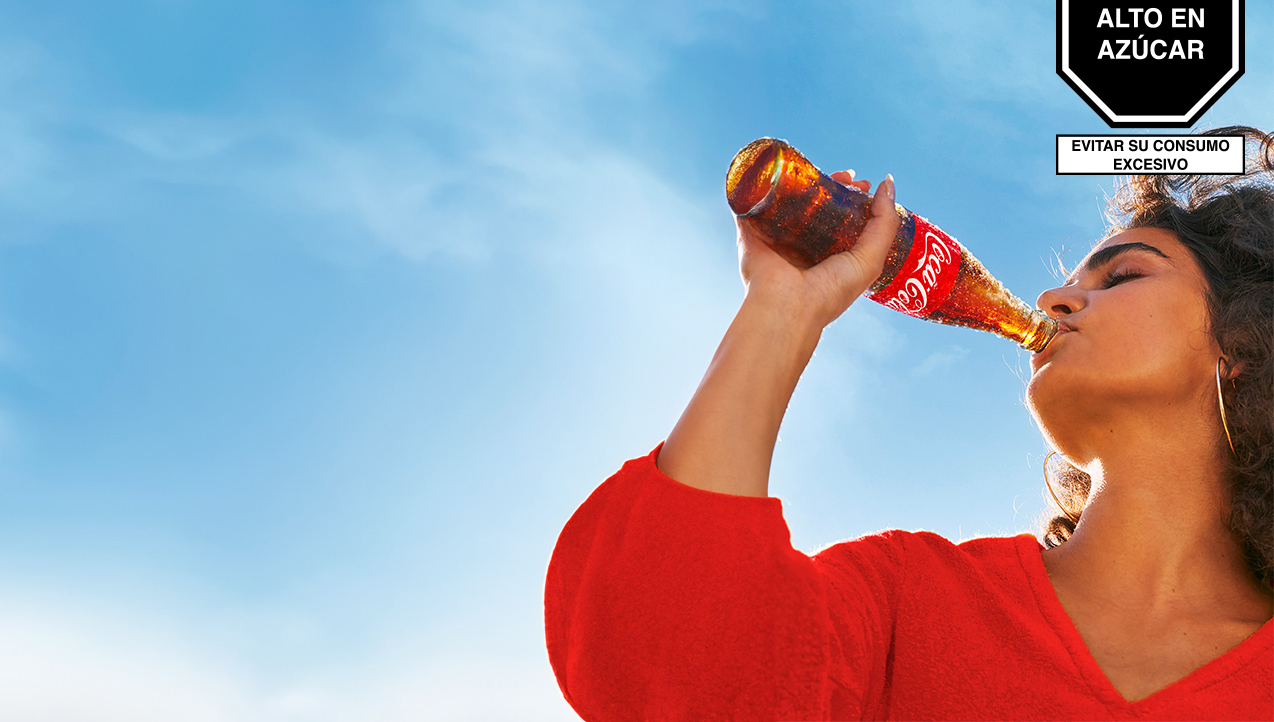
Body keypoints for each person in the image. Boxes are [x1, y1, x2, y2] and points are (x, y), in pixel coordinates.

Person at [544, 126, 1273, 721]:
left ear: (1244, 344)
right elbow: (656, 667)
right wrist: (782, 311)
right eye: (1073, 278)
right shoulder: (912, 601)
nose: (1053, 297)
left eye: (1120, 277)